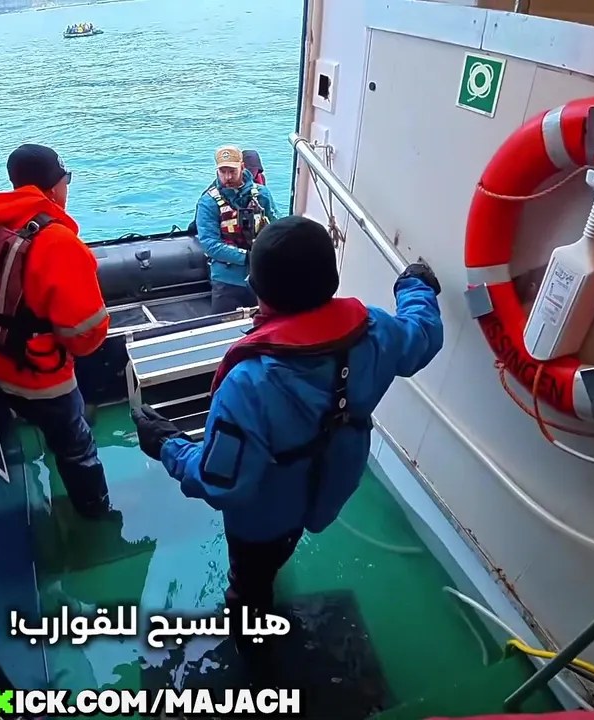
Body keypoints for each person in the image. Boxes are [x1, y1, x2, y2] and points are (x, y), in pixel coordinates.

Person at [130, 215, 443, 670]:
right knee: (284, 546)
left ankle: (255, 656)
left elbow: (221, 483)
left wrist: (167, 445)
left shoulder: (249, 383)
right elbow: (422, 336)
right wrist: (416, 287)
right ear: (331, 280)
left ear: (258, 290)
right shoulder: (375, 332)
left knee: (250, 585)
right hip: (330, 490)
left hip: (262, 521)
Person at [0, 143, 113, 520]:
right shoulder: (58, 243)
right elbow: (86, 336)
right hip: (42, 377)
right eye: (66, 180)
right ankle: (97, 513)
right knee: (76, 446)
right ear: (52, 188)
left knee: (53, 418)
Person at [195, 145, 280, 314]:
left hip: (261, 275)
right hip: (227, 279)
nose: (227, 177)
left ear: (242, 167)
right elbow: (210, 244)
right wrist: (247, 257)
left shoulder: (262, 194)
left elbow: (276, 226)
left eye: (232, 171)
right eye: (223, 171)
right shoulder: (207, 202)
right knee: (222, 323)